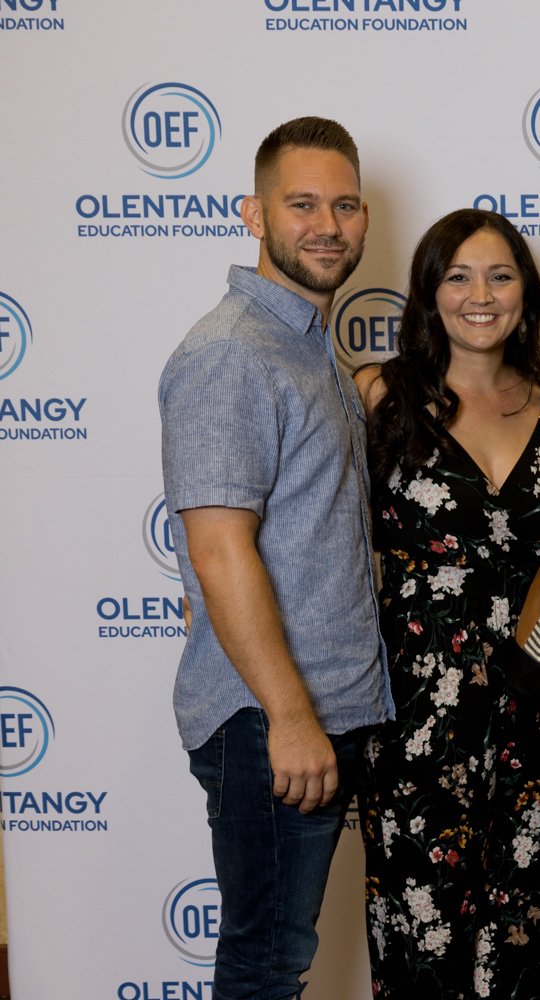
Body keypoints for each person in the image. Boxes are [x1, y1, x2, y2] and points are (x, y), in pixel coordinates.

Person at [158, 116, 391, 1000]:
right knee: (264, 967)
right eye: (302, 204)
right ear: (254, 215)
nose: (327, 225)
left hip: (322, 708)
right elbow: (220, 553)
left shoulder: (305, 347)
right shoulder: (232, 352)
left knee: (274, 959)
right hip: (272, 721)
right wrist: (290, 718)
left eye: (345, 205)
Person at [354, 209, 540, 998]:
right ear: (428, 292)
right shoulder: (381, 395)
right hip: (415, 715)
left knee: (523, 927)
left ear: (526, 293)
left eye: (500, 276)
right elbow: (315, 531)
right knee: (424, 934)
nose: (481, 296)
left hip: (534, 711)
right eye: (458, 276)